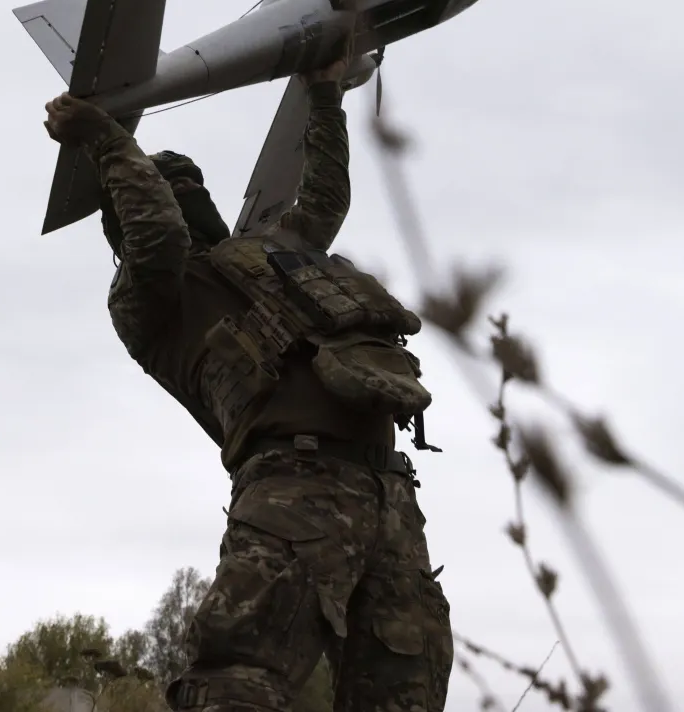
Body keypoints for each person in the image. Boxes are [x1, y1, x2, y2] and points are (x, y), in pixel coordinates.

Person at [42, 57, 455, 712]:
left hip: (388, 493)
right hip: (294, 486)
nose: (183, 198)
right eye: (165, 186)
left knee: (403, 680)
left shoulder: (267, 254)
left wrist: (325, 94)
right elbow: (156, 232)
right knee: (241, 676)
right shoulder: (149, 304)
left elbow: (322, 199)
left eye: (188, 186)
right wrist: (103, 138)